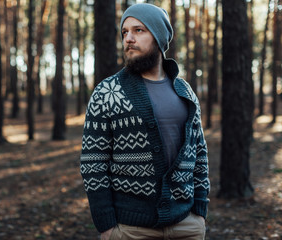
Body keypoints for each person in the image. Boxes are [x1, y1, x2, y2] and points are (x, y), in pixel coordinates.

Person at [80, 3, 210, 240]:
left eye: (139, 30)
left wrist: (200, 212)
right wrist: (107, 227)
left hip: (186, 225)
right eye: (125, 32)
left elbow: (199, 153)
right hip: (131, 229)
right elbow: (93, 163)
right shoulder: (108, 92)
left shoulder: (185, 92)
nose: (128, 38)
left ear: (159, 38)